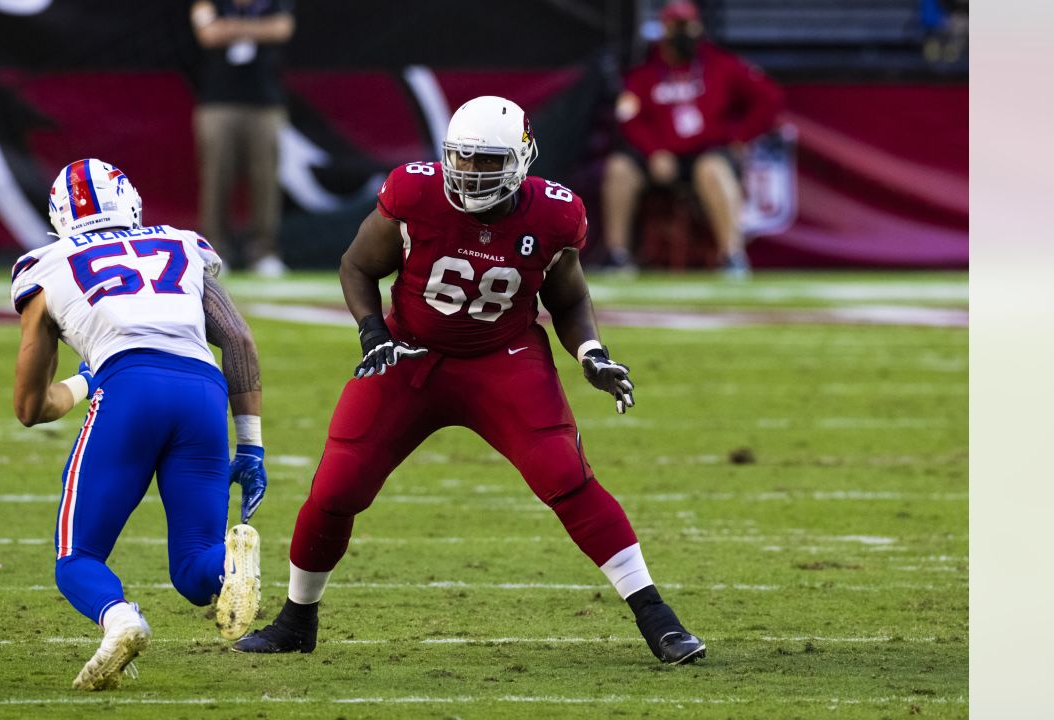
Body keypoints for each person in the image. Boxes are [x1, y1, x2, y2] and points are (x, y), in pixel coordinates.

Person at [233, 97, 706, 665]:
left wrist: (590, 353)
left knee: (565, 475)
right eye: (463, 159)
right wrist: (371, 333)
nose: (471, 174)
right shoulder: (414, 192)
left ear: (521, 159)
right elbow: (358, 265)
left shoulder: (555, 214)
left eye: (487, 162)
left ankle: (658, 617)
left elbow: (570, 295)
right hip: (409, 357)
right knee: (337, 488)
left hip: (502, 359)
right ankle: (296, 621)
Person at [10, 158, 269, 690]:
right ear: (129, 202)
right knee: (195, 570)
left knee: (77, 557)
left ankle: (120, 619)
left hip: (129, 388)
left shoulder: (46, 264)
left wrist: (85, 380)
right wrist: (252, 446)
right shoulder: (180, 244)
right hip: (202, 391)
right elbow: (238, 340)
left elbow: (30, 405)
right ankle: (229, 566)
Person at [601, 0, 783, 278]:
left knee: (712, 169)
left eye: (688, 26)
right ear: (663, 30)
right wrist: (654, 151)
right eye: (676, 26)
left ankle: (732, 256)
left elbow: (769, 99)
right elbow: (628, 119)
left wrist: (739, 136)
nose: (683, 33)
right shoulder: (644, 74)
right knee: (618, 170)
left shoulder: (722, 65)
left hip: (706, 152)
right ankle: (618, 256)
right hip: (659, 156)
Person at [190, 0, 295, 278]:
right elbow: (207, 34)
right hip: (217, 102)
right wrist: (257, 29)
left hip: (265, 102)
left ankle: (264, 252)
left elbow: (282, 29)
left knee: (265, 179)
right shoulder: (209, 2)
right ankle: (216, 250)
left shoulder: (275, 3)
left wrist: (229, 28)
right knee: (216, 178)